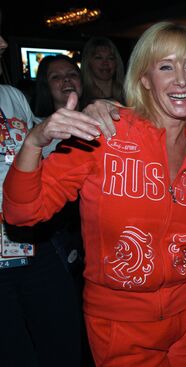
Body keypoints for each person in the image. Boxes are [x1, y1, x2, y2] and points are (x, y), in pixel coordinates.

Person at [2, 21, 186, 367]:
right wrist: (34, 141)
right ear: (144, 79)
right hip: (122, 326)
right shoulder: (103, 133)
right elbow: (22, 213)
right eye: (166, 66)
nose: (181, 79)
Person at [0, 9, 87, 367]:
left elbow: (39, 150)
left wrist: (75, 122)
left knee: (66, 345)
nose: (4, 44)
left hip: (34, 246)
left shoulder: (10, 96)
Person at [80, 36, 125, 107]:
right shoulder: (80, 97)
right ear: (88, 63)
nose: (105, 63)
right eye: (99, 58)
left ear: (116, 63)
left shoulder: (128, 95)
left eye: (110, 58)